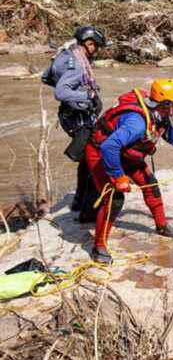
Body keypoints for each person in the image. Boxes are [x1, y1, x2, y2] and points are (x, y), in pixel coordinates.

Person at [84, 79, 173, 264]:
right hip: (102, 153)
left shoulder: (158, 113)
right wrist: (118, 177)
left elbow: (169, 133)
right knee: (114, 200)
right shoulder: (136, 123)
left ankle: (162, 226)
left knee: (151, 185)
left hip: (126, 154)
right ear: (165, 105)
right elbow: (109, 147)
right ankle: (99, 247)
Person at [41, 26, 111, 222]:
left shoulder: (65, 55)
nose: (96, 51)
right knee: (94, 159)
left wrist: (74, 94)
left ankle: (79, 200)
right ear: (89, 43)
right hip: (78, 118)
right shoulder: (78, 65)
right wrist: (85, 95)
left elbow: (46, 77)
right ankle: (87, 212)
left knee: (86, 160)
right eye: (96, 46)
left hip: (70, 115)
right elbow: (60, 92)